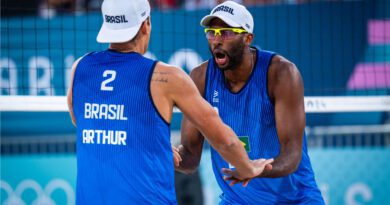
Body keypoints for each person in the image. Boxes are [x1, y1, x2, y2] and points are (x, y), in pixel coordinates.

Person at [66, 0, 273, 204]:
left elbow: (85, 122)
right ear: (146, 24)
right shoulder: (165, 76)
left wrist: (150, 144)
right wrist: (249, 168)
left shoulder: (79, 68)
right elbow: (225, 140)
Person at [174, 1, 325, 204]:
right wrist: (166, 156)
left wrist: (257, 169)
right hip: (237, 200)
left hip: (296, 198)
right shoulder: (200, 77)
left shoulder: (281, 73)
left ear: (247, 38)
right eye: (212, 32)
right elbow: (190, 157)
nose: (216, 40)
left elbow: (292, 154)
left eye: (226, 32)